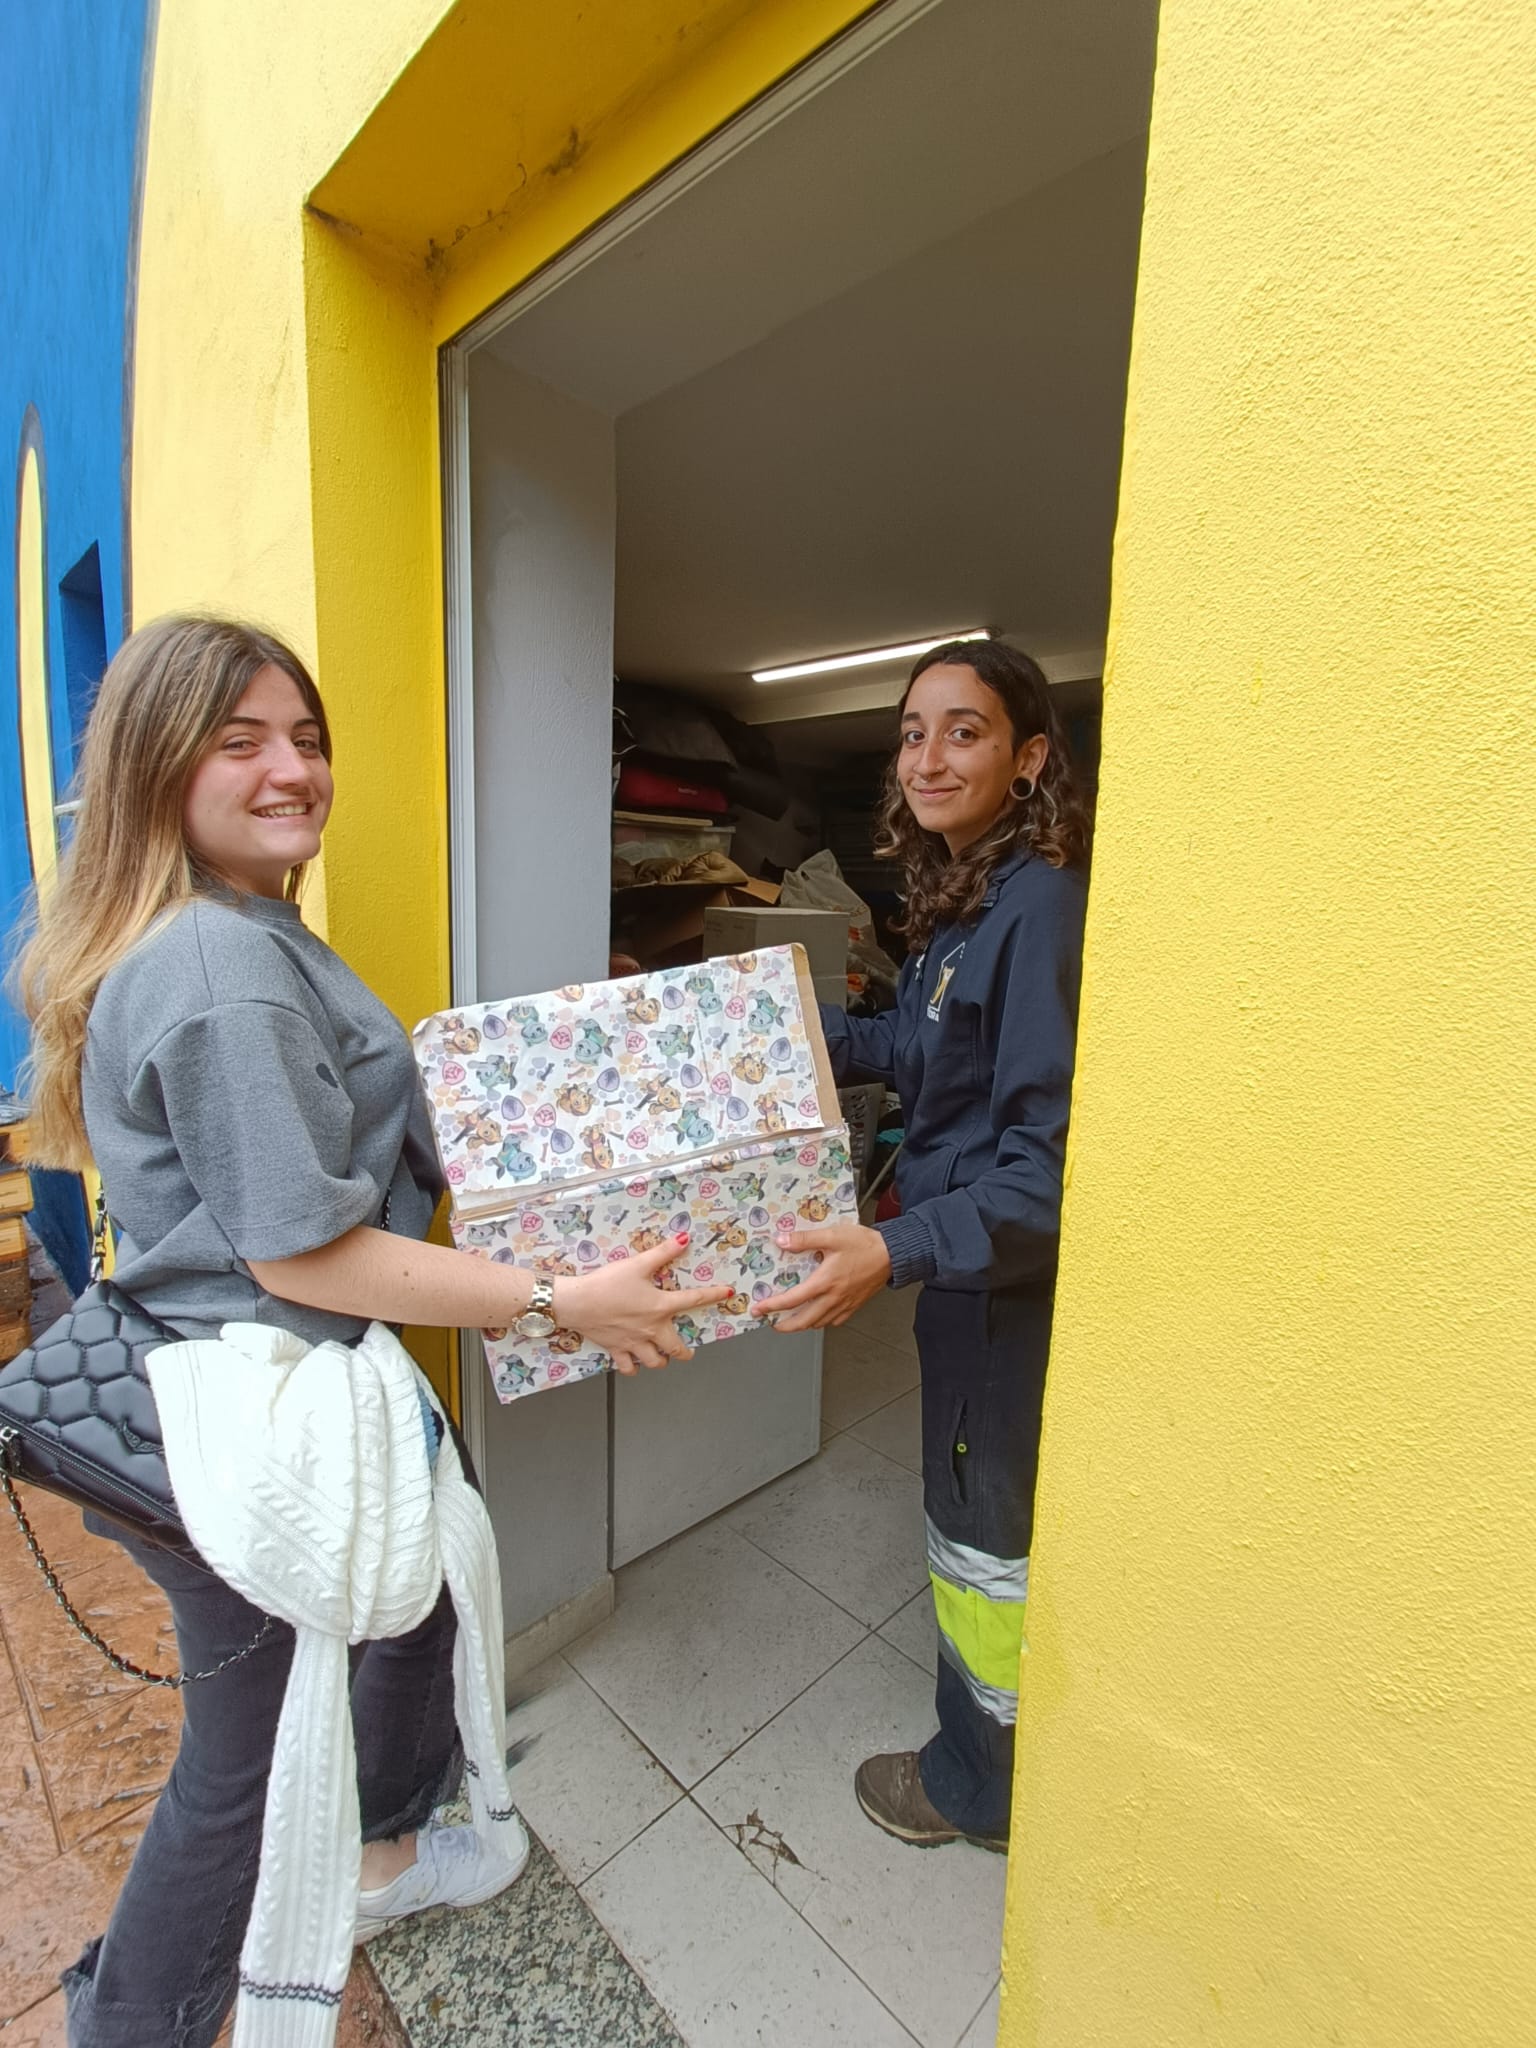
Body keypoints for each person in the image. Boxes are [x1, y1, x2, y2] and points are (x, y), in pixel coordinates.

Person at [15, 615, 730, 2048]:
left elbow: (327, 1148)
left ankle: (383, 1852)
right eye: (240, 742)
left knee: (420, 1596)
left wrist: (536, 1110)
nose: (294, 770)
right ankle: (135, 2023)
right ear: (160, 769)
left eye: (307, 737)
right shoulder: (219, 968)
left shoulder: (241, 927)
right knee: (244, 1767)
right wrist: (559, 1303)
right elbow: (304, 1249)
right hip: (259, 1398)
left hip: (281, 1373)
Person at [755, 637, 1089, 1854]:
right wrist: (767, 1025)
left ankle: (975, 1784)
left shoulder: (1039, 908)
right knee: (971, 1513)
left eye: (965, 729)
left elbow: (1043, 1174)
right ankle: (997, 1760)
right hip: (959, 1270)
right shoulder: (968, 895)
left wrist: (889, 1247)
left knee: (980, 1538)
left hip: (997, 1288)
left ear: (1029, 755)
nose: (927, 757)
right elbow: (914, 1045)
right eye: (911, 731)